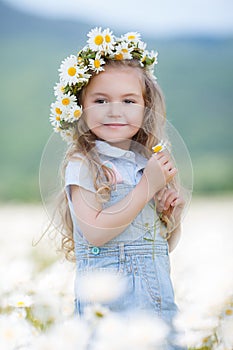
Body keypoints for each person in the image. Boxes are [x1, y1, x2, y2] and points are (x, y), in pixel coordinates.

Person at [49, 27, 186, 349]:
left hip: (156, 297)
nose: (114, 110)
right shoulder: (84, 164)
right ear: (79, 106)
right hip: (109, 301)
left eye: (128, 100)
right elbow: (96, 232)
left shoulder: (146, 163)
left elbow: (161, 247)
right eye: (100, 100)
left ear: (145, 106)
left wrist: (170, 215)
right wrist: (146, 187)